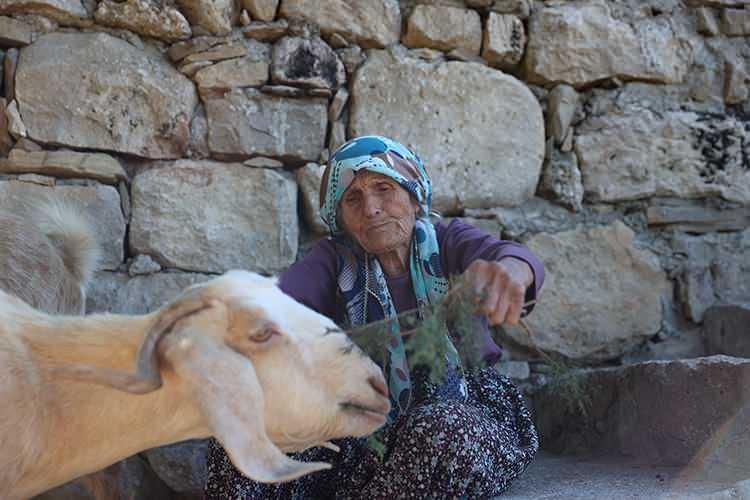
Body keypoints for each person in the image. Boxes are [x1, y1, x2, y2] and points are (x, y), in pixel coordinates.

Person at [205, 135, 544, 499]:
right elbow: (282, 303)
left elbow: (514, 258)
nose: (371, 208)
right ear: (342, 218)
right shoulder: (333, 261)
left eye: (384, 188)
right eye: (353, 198)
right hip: (360, 429)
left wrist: (509, 273)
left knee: (441, 432)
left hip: (463, 411)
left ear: (414, 197)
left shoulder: (448, 242)